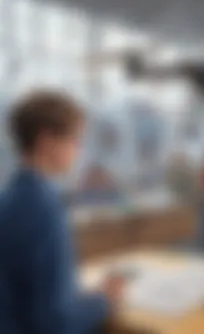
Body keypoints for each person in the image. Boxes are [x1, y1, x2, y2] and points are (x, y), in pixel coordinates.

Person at [0, 90, 123, 333]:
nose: (78, 151)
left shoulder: (10, 197)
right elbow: (55, 322)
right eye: (75, 140)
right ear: (46, 141)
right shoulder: (43, 208)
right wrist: (104, 300)